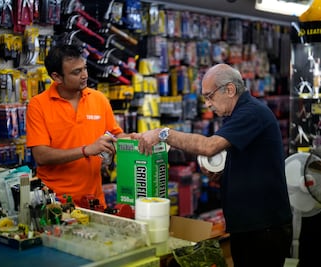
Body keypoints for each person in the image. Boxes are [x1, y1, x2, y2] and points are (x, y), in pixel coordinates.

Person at [133, 63, 293, 267]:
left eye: (210, 96)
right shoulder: (238, 114)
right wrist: (223, 176)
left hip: (263, 228)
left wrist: (162, 134)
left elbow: (209, 147)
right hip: (250, 225)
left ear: (230, 89)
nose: (207, 104)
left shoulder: (251, 112)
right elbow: (250, 163)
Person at [26, 44, 129, 208]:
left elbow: (116, 136)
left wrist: (135, 139)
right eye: (76, 72)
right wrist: (86, 150)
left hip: (94, 201)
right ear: (57, 77)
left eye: (84, 68)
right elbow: (41, 156)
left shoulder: (99, 99)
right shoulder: (38, 105)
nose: (85, 75)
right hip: (55, 204)